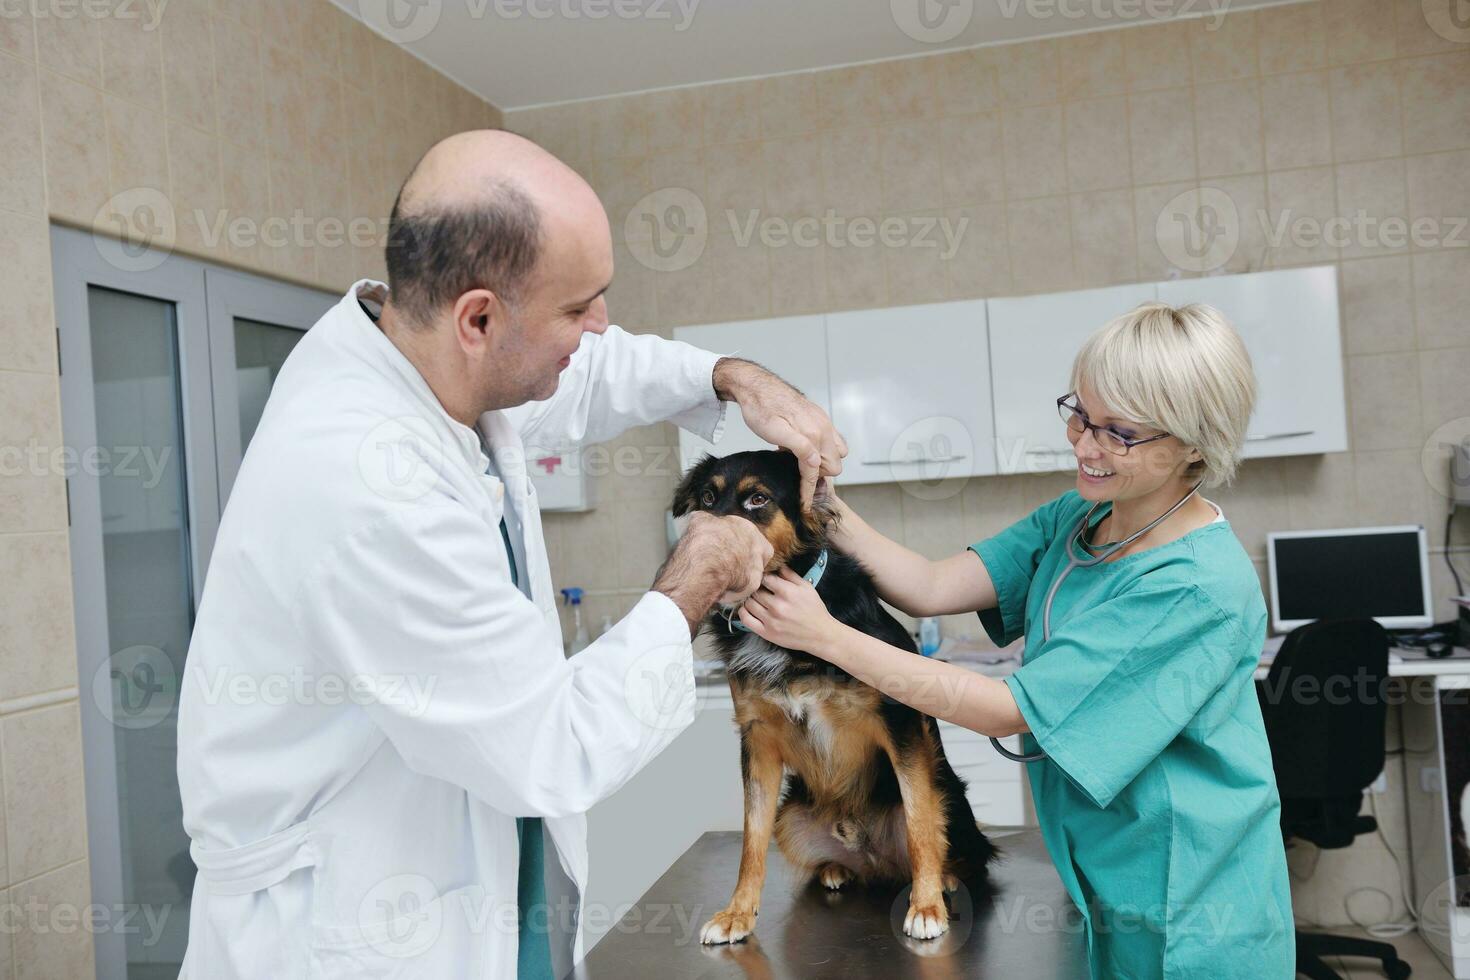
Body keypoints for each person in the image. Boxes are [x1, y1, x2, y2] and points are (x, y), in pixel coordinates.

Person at [176, 130, 846, 978]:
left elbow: (602, 371)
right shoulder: (364, 479)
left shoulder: (433, 362)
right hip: (357, 932)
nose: (598, 326)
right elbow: (549, 747)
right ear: (480, 318)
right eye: (579, 307)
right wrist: (691, 579)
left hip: (474, 875)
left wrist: (734, 376)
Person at [739, 302, 1294, 978]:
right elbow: (931, 585)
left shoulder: (1194, 584)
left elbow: (1006, 708)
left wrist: (825, 637)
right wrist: (814, 493)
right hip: (1101, 865)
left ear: (1196, 443)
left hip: (1192, 896)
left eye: (1119, 433)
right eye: (1080, 415)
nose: (1085, 445)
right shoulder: (1083, 517)